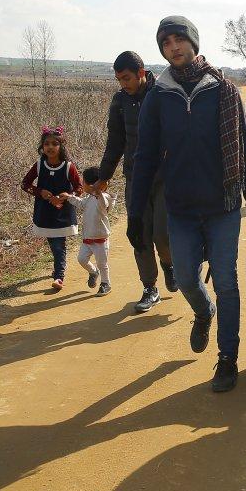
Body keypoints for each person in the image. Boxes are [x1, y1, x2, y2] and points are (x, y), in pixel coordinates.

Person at [127, 16, 246, 393]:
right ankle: (204, 313)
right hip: (181, 209)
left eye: (179, 39)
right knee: (186, 278)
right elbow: (145, 157)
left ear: (193, 42)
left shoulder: (221, 89)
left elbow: (243, 152)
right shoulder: (159, 96)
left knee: (227, 282)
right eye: (166, 42)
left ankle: (227, 359)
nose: (174, 47)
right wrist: (135, 211)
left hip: (223, 206)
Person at [96, 50, 176, 313]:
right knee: (139, 235)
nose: (123, 84)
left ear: (141, 73)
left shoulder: (163, 96)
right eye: (119, 80)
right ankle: (149, 287)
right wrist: (104, 176)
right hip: (135, 179)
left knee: (162, 235)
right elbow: (115, 143)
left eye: (127, 78)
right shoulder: (120, 102)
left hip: (165, 179)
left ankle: (169, 264)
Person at [21, 126, 82, 290]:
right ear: (42, 146)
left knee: (58, 243)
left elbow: (79, 188)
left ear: (61, 146)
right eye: (47, 144)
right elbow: (25, 184)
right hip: (45, 211)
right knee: (53, 241)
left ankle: (59, 276)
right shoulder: (39, 165)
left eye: (54, 144)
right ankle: (59, 266)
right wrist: (40, 192)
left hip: (63, 210)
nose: (50, 147)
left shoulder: (69, 167)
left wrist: (67, 196)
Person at [61, 166, 115, 296]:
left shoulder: (103, 198)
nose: (81, 184)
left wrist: (99, 192)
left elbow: (104, 205)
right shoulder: (89, 199)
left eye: (83, 182)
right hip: (88, 239)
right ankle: (93, 272)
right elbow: (80, 203)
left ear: (91, 185)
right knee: (81, 259)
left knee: (103, 264)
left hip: (101, 240)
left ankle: (105, 283)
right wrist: (69, 197)